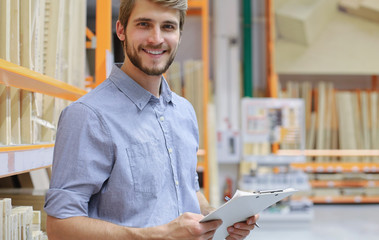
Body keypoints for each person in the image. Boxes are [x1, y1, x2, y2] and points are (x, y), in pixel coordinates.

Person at [44, 0, 258, 239]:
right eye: (144, 24)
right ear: (121, 30)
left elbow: (187, 190)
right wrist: (159, 235)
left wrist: (218, 218)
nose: (156, 39)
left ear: (179, 34)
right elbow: (59, 227)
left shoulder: (183, 112)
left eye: (168, 27)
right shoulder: (87, 115)